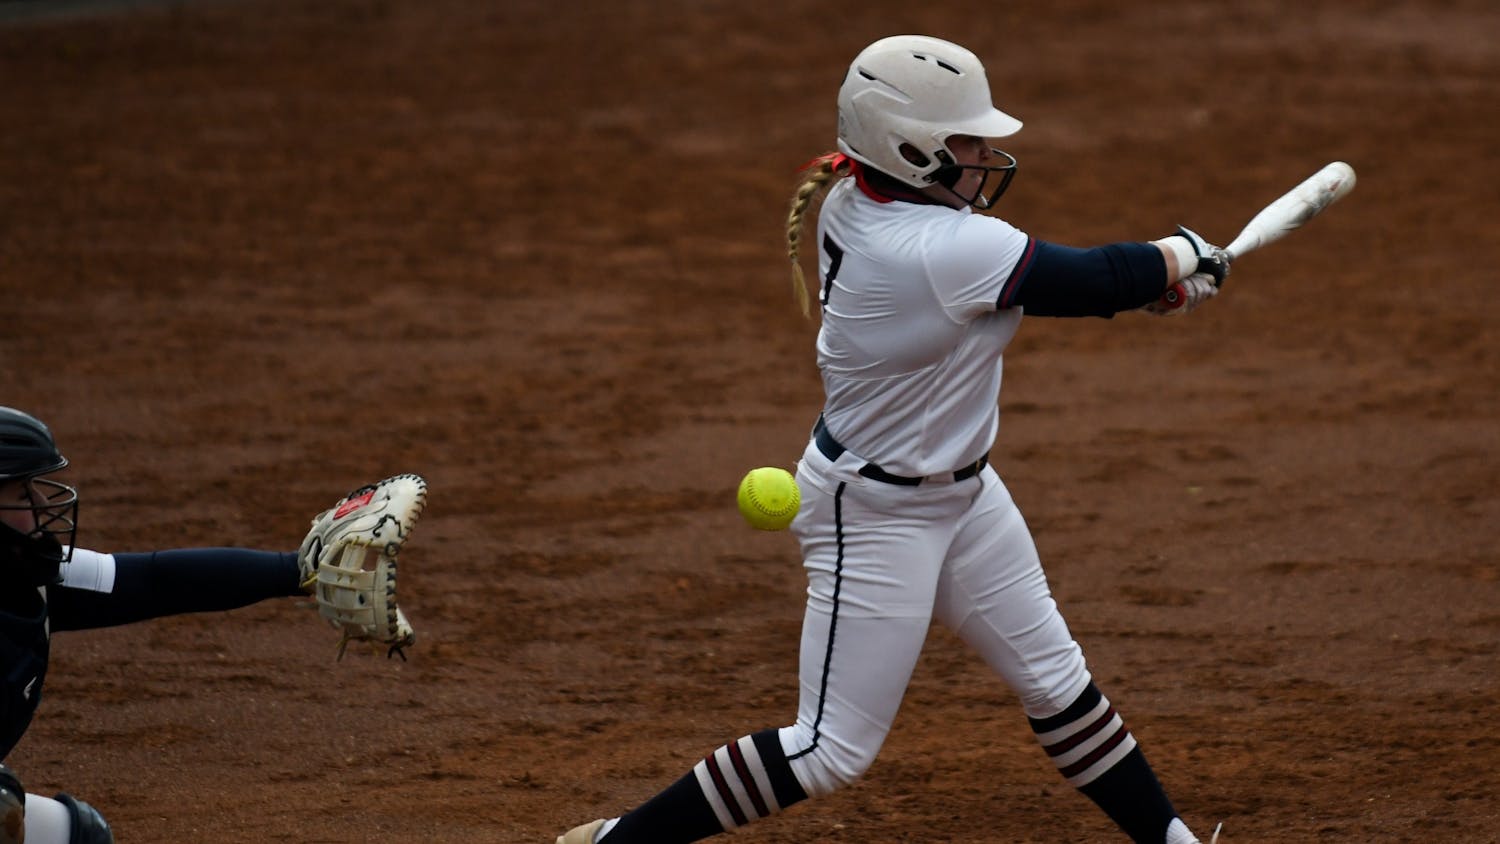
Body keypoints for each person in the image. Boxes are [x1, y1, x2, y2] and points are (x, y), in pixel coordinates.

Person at [554, 35, 1226, 844]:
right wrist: (1186, 254)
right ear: (910, 150)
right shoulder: (938, 249)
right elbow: (1091, 281)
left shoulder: (866, 204)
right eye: (968, 141)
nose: (985, 155)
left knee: (1058, 682)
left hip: (967, 496)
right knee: (828, 751)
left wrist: (1154, 286)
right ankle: (615, 843)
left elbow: (1053, 289)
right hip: (873, 514)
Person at [0, 406, 418, 844]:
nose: (43, 504)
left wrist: (295, 571)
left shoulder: (28, 578)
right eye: (22, 493)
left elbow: (155, 580)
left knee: (78, 835)